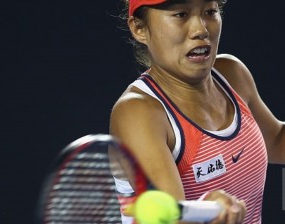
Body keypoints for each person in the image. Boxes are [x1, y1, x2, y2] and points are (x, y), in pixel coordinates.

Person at [109, 0, 285, 223]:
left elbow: (277, 140)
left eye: (210, 11)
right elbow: (169, 216)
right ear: (139, 28)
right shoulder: (137, 113)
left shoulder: (232, 74)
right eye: (181, 14)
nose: (201, 29)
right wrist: (205, 211)